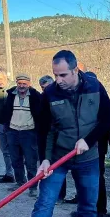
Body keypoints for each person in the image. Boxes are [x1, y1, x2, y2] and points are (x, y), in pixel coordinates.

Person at [22, 50, 110, 217]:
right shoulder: (50, 94)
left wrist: (89, 140)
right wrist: (44, 159)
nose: (58, 80)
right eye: (55, 75)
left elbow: (108, 118)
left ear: (75, 70)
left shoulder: (94, 86)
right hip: (59, 159)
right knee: (44, 205)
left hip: (87, 158)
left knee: (89, 205)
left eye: (63, 75)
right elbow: (43, 129)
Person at [70, 71, 109, 217]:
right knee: (80, 177)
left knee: (97, 177)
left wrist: (93, 140)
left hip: (97, 144)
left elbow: (105, 122)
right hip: (80, 145)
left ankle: (100, 211)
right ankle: (83, 207)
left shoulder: (99, 97)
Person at [0, 73, 41, 197]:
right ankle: (20, 183)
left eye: (24, 84)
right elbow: (5, 112)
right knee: (15, 159)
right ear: (17, 84)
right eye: (20, 83)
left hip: (28, 133)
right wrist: (6, 127)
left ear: (29, 84)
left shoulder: (35, 96)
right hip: (13, 132)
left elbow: (39, 115)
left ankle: (32, 187)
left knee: (30, 160)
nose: (22, 86)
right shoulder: (11, 95)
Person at [39, 75, 67, 203]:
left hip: (58, 137)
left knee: (59, 166)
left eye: (48, 87)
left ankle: (60, 195)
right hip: (44, 135)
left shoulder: (60, 98)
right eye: (43, 88)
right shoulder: (42, 98)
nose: (46, 90)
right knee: (45, 164)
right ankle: (48, 194)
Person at [0, 67, 15, 183]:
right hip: (0, 124)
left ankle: (19, 176)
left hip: (11, 125)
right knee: (5, 150)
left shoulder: (14, 89)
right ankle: (9, 174)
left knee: (14, 151)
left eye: (1, 79)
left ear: (6, 77)